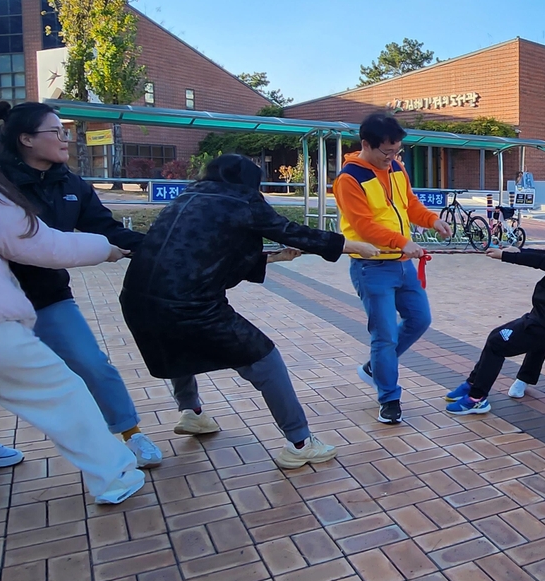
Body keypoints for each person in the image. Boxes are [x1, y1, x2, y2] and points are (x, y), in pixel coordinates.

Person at [0, 101, 163, 472]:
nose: (65, 139)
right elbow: (36, 244)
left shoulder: (72, 184)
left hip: (48, 298)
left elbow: (107, 230)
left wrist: (159, 248)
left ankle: (131, 434)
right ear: (27, 139)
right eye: (56, 131)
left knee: (92, 363)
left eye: (66, 131)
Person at [121, 155, 379, 467]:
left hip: (136, 299)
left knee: (176, 343)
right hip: (191, 306)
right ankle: (299, 443)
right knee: (265, 359)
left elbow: (208, 257)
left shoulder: (185, 199)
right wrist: (354, 246)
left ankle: (192, 412)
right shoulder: (241, 199)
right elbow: (291, 230)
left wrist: (277, 259)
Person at [334, 114, 454, 425]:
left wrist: (432, 220)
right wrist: (403, 242)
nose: (392, 158)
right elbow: (364, 226)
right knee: (384, 336)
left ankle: (377, 366)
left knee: (420, 319)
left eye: (396, 151)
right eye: (386, 152)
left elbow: (409, 203)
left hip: (403, 266)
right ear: (366, 144)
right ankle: (389, 397)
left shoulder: (397, 168)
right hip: (371, 267)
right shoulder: (349, 179)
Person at [444, 224, 545, 415]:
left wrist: (506, 256)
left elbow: (541, 260)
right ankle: (471, 385)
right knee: (495, 337)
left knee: (497, 344)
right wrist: (517, 250)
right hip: (537, 320)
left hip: (544, 327)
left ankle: (477, 398)